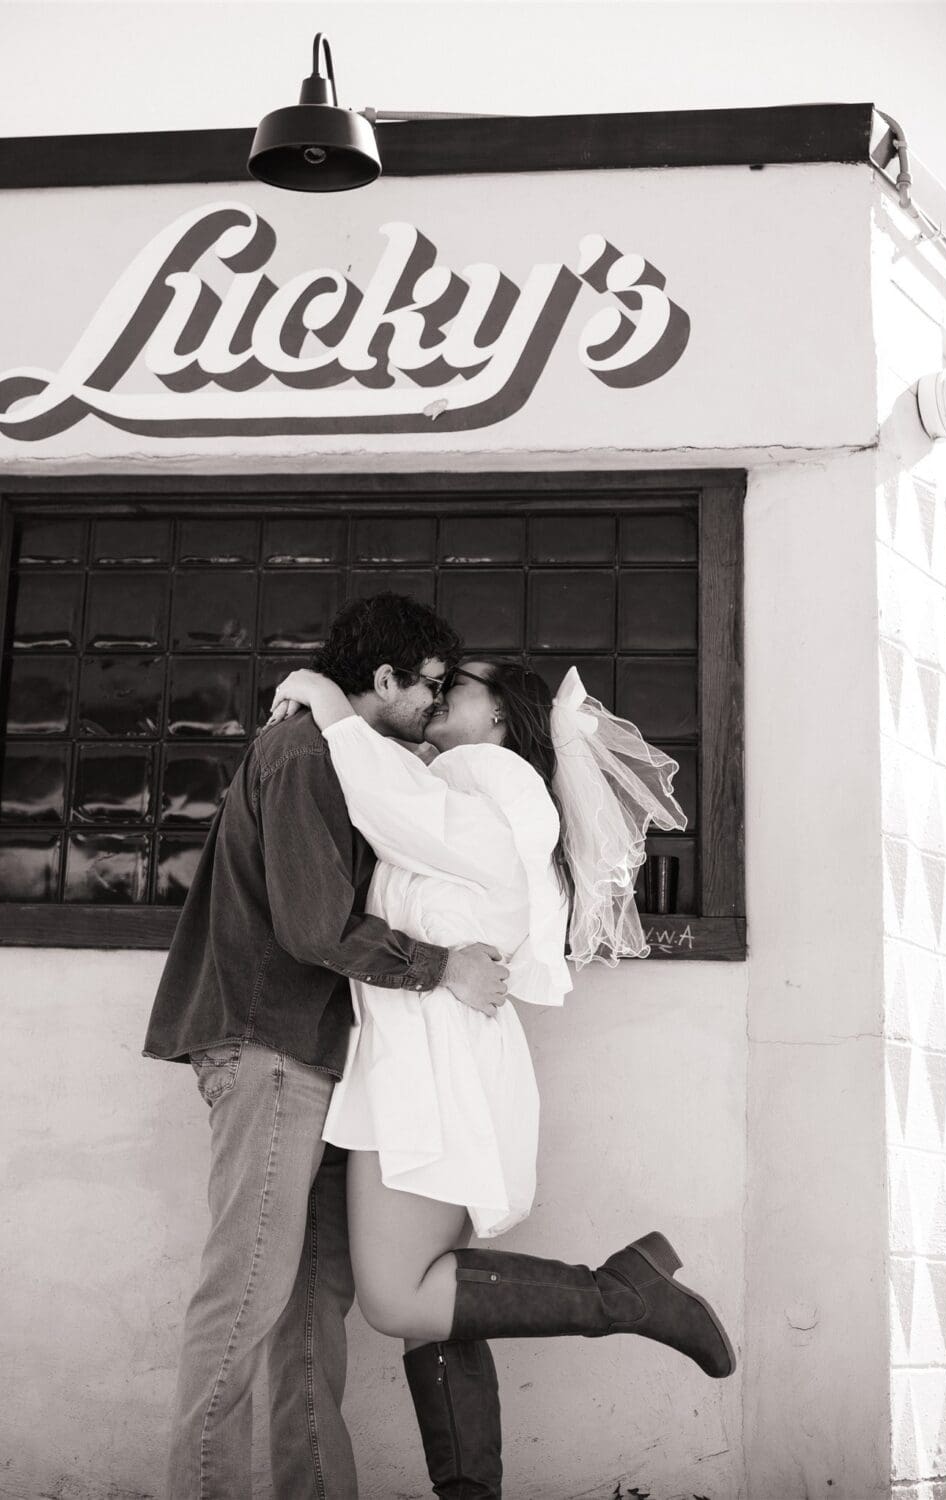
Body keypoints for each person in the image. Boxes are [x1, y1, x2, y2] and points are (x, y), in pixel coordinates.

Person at [267, 653, 735, 1499]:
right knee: (436, 1306)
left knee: (399, 1298)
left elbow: (391, 808)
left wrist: (328, 699)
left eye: (460, 685)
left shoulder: (496, 781)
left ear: (498, 718)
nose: (441, 693)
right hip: (435, 1055)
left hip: (434, 1066)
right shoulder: (471, 784)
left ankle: (621, 1295)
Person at [142, 593, 511, 1500]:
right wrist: (443, 967)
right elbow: (314, 927)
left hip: (317, 1061)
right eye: (429, 687)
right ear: (384, 678)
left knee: (310, 1310)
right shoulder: (305, 754)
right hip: (269, 1050)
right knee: (245, 1298)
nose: (434, 705)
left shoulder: (343, 754)